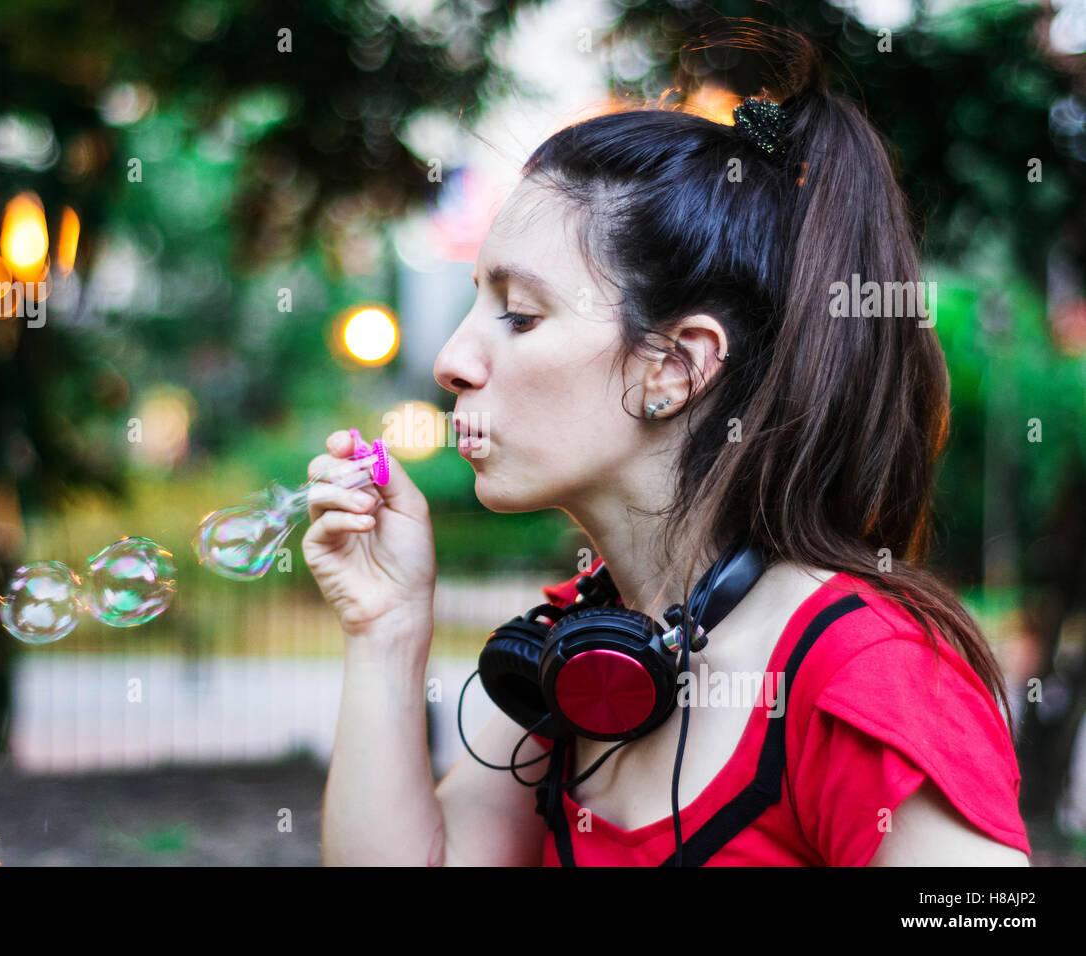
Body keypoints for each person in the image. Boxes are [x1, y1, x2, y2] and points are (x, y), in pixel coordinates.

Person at [303, 23, 1031, 866]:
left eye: (521, 315)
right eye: (475, 302)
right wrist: (386, 629)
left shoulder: (866, 674)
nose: (451, 361)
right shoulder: (572, 657)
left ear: (675, 367)